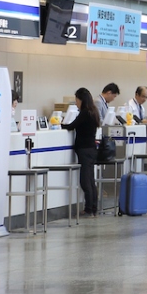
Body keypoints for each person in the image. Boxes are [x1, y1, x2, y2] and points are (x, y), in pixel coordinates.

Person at [62, 88, 102, 217]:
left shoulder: (84, 113)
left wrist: (60, 124)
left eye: (77, 100)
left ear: (81, 100)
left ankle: (88, 208)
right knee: (90, 180)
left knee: (85, 181)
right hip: (91, 149)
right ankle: (94, 207)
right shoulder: (93, 112)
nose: (76, 103)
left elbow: (71, 126)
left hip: (84, 150)